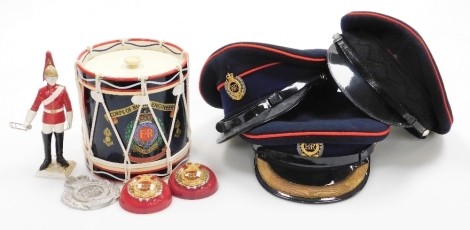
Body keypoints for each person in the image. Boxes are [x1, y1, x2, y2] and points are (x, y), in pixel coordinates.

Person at [23, 51, 73, 170]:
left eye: (54, 77)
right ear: (45, 78)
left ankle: (60, 157)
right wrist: (27, 121)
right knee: (47, 137)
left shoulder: (62, 90)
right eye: (50, 78)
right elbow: (35, 106)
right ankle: (47, 158)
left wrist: (70, 120)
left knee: (59, 136)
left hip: (60, 117)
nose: (52, 80)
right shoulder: (41, 91)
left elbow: (68, 106)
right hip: (47, 118)